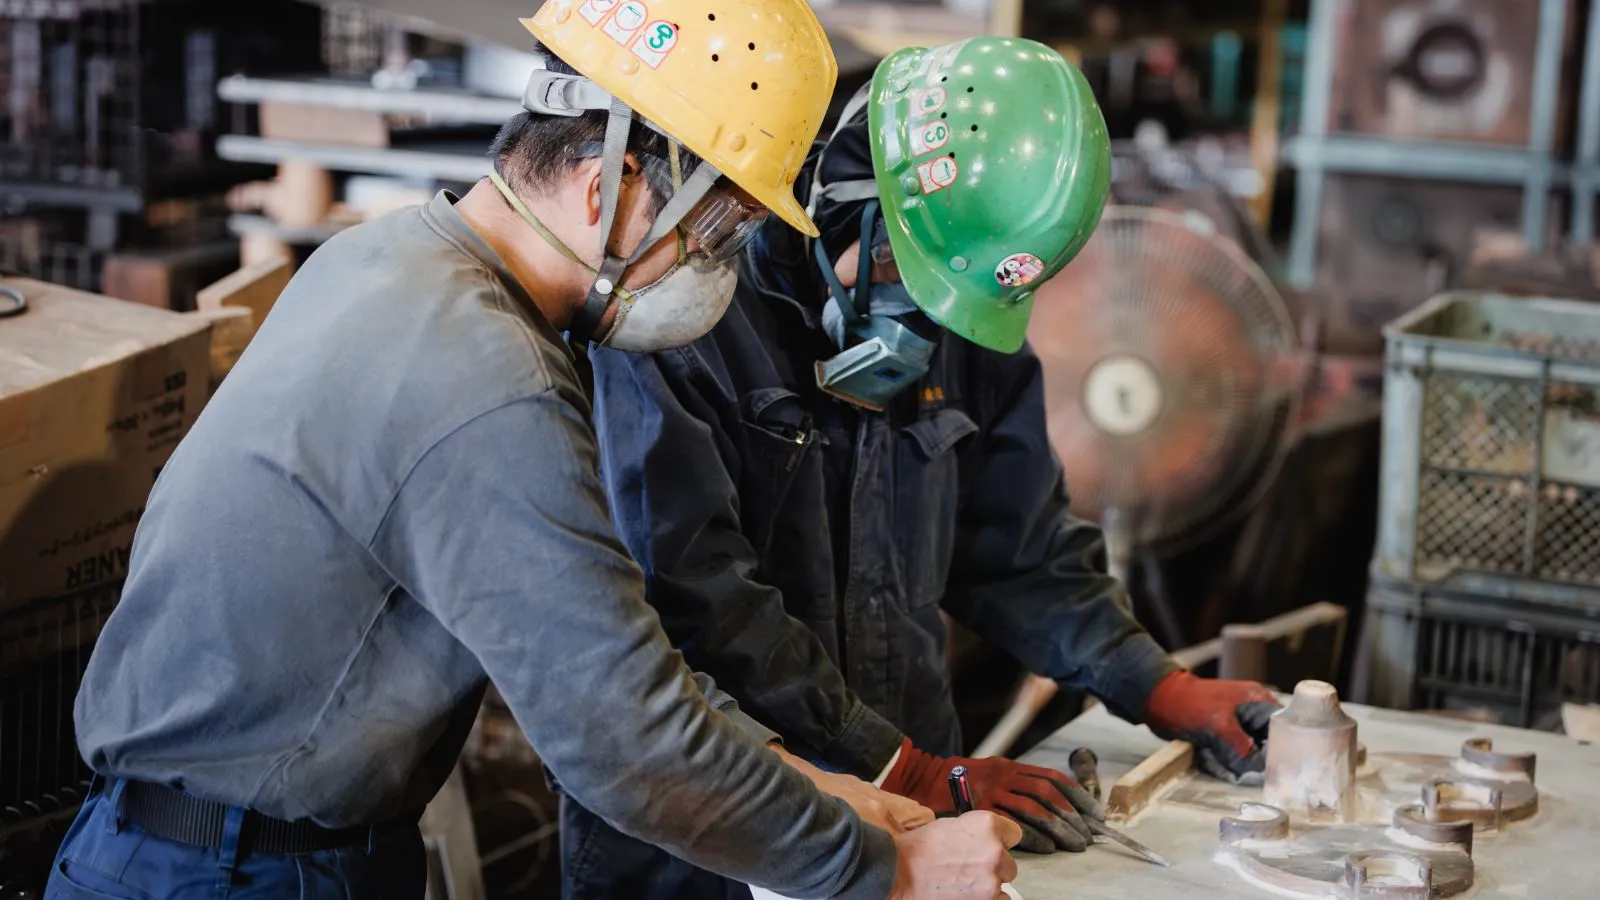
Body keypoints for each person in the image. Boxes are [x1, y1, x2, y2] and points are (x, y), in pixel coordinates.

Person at [44, 3, 1023, 899]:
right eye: (718, 228)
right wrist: (888, 871)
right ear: (606, 186)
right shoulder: (486, 377)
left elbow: (617, 660)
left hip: (191, 848)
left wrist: (828, 792)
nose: (717, 268)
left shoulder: (393, 258)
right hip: (231, 874)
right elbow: (623, 737)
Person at [571, 35, 1284, 898]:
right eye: (897, 273)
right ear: (841, 199)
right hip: (709, 843)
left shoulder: (963, 313)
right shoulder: (686, 318)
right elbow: (696, 603)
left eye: (948, 299)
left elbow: (1019, 549)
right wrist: (901, 768)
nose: (918, 327)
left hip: (919, 819)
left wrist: (1157, 686)